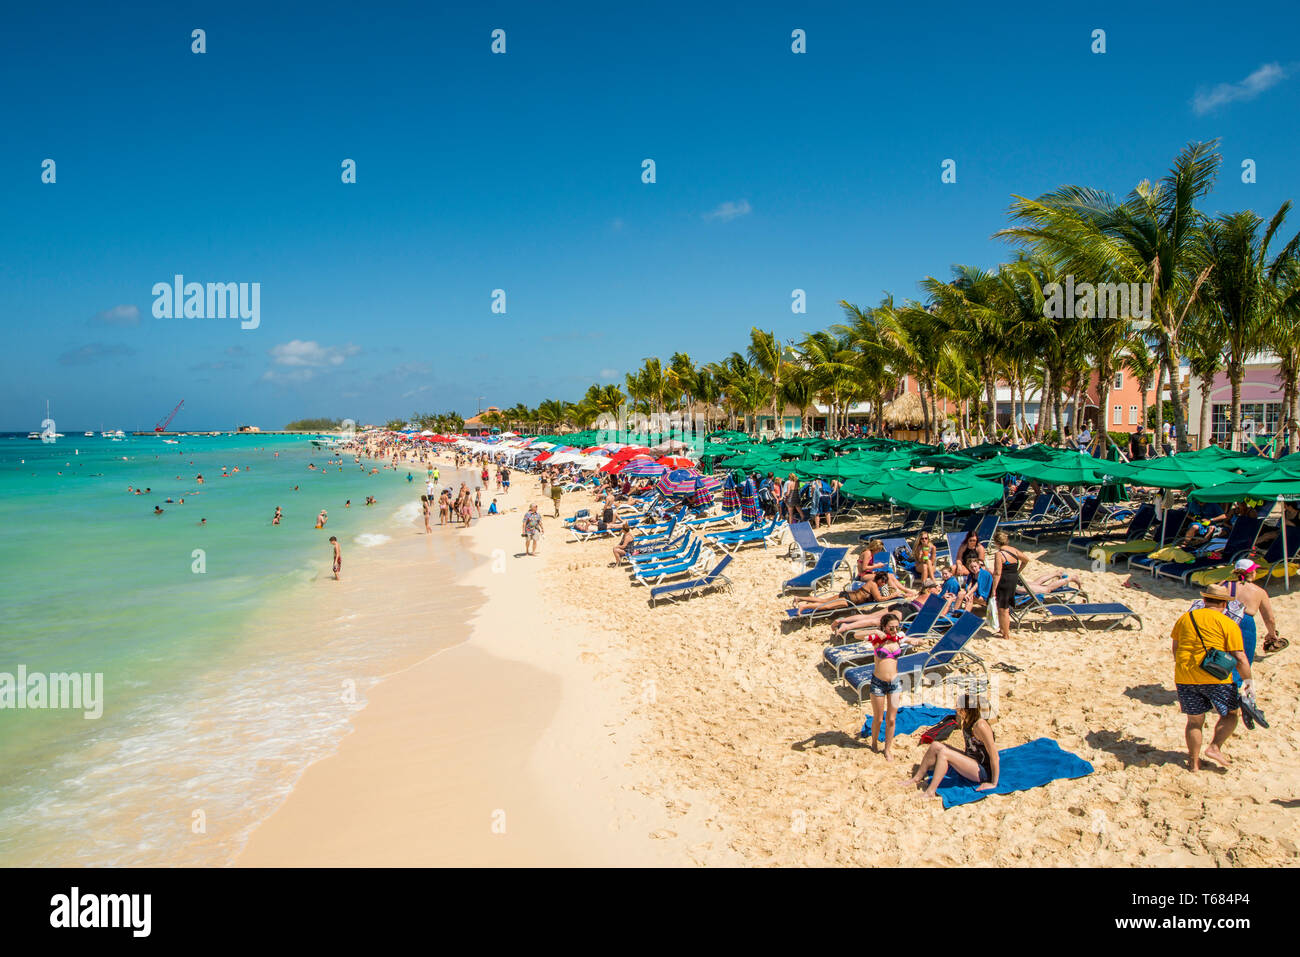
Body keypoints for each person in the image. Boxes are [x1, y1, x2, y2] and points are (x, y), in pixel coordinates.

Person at [1172, 584, 1251, 770]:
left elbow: (1175, 648)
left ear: (1205, 600)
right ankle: (1214, 747)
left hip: (1184, 676)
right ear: (1224, 603)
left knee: (1194, 722)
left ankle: (1193, 762)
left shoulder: (1185, 618)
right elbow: (1240, 657)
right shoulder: (1228, 624)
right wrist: (1248, 682)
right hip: (1216, 678)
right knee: (1231, 714)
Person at [907, 694, 998, 797]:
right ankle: (916, 778)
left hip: (982, 771)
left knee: (944, 754)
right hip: (971, 760)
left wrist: (993, 783)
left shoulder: (981, 726)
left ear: (965, 710)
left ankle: (931, 791)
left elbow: (994, 755)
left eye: (958, 707)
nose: (956, 708)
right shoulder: (967, 720)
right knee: (936, 745)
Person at [866, 614, 906, 761]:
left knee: (891, 719)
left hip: (895, 683)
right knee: (878, 719)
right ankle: (874, 743)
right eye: (891, 627)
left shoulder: (898, 639)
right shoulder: (877, 641)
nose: (895, 630)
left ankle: (888, 749)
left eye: (897, 627)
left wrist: (917, 641)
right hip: (878, 684)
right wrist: (876, 632)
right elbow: (857, 635)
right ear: (884, 627)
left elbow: (911, 639)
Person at [989, 530, 1029, 639]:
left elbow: (997, 573)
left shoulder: (999, 554)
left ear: (996, 542)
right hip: (1013, 578)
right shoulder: (1014, 550)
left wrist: (993, 589)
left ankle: (1005, 634)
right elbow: (1026, 560)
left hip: (1004, 580)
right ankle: (1002, 629)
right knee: (1004, 606)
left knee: (1003, 608)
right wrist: (1018, 571)